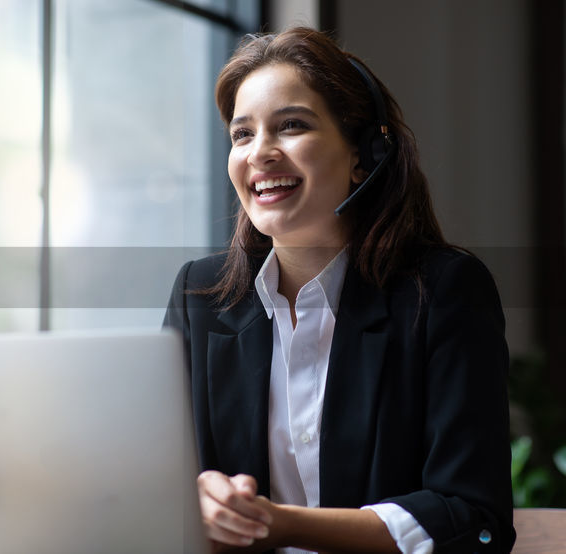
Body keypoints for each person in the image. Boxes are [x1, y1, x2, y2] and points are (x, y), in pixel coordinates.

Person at [162, 27, 514, 553]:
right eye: (242, 134)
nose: (260, 153)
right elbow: (155, 478)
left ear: (361, 155)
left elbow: (475, 519)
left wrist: (279, 524)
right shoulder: (202, 297)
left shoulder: (442, 292)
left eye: (291, 126)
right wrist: (196, 497)